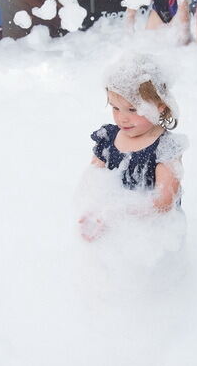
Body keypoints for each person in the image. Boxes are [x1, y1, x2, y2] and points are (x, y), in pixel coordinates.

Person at [79, 54, 187, 242]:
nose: (122, 118)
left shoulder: (165, 147)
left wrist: (116, 214)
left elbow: (164, 202)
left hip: (153, 235)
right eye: (115, 108)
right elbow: (93, 179)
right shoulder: (108, 137)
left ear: (160, 107)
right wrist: (93, 211)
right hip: (117, 229)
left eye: (132, 109)